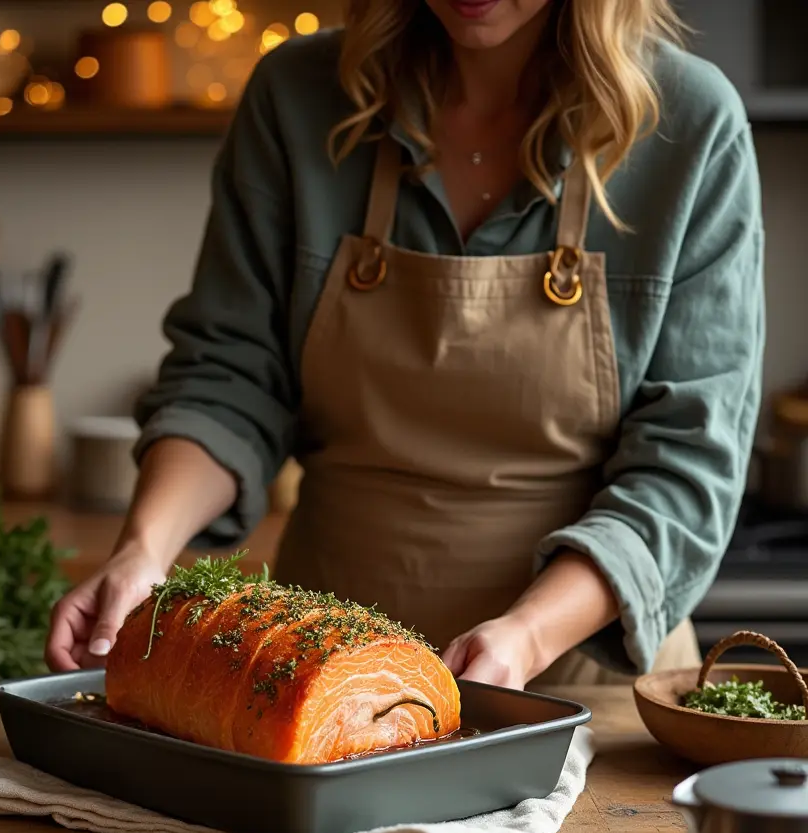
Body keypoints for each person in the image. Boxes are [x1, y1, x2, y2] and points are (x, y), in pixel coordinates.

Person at [46, 0, 764, 691]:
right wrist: (143, 552)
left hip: (580, 685)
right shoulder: (295, 96)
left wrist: (529, 634)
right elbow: (229, 379)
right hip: (315, 666)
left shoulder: (689, 123)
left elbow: (685, 469)